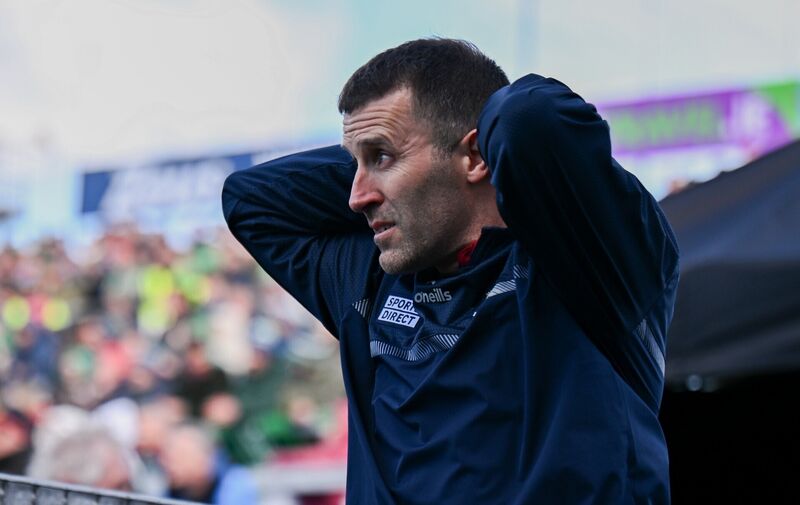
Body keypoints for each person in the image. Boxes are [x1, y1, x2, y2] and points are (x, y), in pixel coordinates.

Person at [223, 38, 679, 504]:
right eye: (353, 162)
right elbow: (249, 197)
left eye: (381, 156)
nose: (355, 197)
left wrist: (443, 150)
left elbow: (527, 118)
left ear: (478, 156)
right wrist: (389, 159)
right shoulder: (372, 276)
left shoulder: (585, 261)